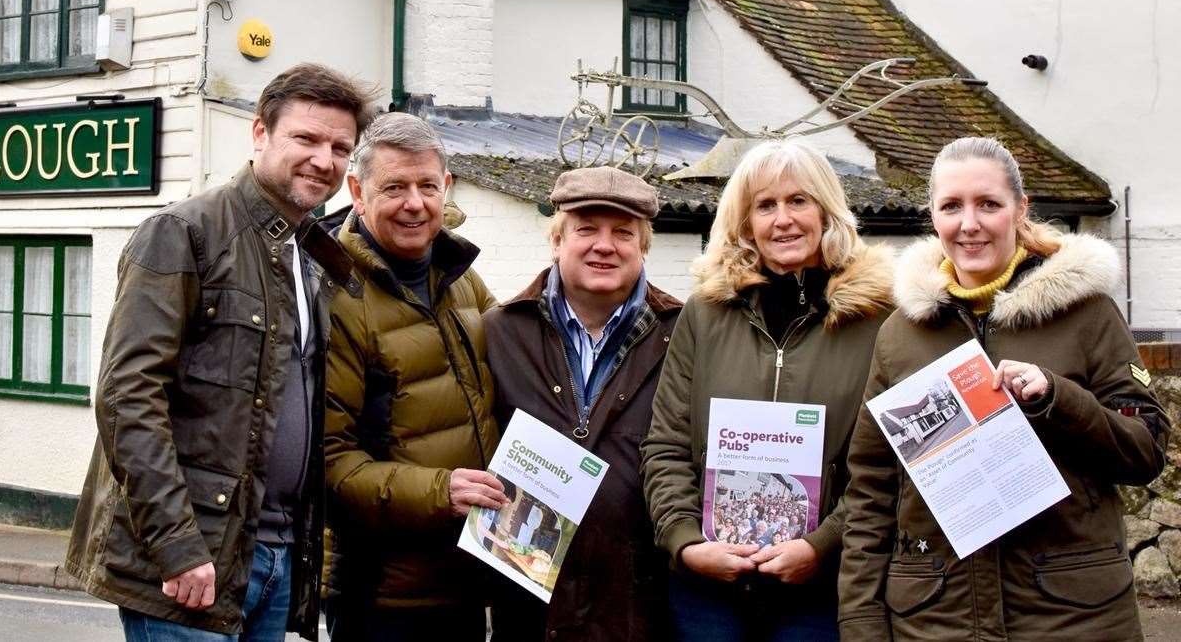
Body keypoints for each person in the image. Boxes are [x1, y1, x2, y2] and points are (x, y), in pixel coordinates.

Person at [64, 64, 376, 642]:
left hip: (276, 554)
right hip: (191, 562)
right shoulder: (185, 232)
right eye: (305, 139)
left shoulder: (309, 254)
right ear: (260, 133)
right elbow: (126, 395)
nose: (324, 160)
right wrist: (177, 545)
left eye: (340, 147)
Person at [837, 137, 1169, 641]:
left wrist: (1057, 400)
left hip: (1073, 618)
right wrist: (861, 621)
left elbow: (1145, 451)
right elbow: (871, 492)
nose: (969, 224)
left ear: (1020, 209)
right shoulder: (901, 332)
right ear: (933, 216)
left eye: (988, 204)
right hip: (935, 619)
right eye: (951, 206)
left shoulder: (1088, 313)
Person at [642, 139, 894, 641]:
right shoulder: (705, 312)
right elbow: (666, 446)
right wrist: (687, 543)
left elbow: (884, 468)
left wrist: (821, 546)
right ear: (745, 223)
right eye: (766, 205)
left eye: (799, 200)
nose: (784, 219)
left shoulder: (879, 321)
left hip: (821, 588)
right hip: (708, 590)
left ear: (827, 212)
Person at [323, 112, 504, 641]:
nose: (415, 204)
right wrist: (440, 491)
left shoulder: (461, 277)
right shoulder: (338, 295)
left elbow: (521, 367)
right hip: (382, 595)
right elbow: (330, 463)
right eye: (394, 187)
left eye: (428, 186)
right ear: (357, 191)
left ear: (446, 188)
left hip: (469, 579)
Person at [483, 165, 683, 642]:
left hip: (640, 601)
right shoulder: (500, 331)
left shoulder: (684, 335)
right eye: (586, 229)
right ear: (557, 241)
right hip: (528, 602)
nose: (604, 245)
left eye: (623, 233)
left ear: (643, 247)